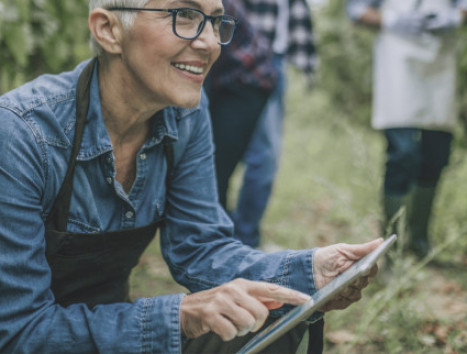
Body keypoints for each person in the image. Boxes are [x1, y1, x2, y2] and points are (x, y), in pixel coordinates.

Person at [0, 0, 382, 352]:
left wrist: (308, 270)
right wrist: (181, 314)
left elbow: (200, 248)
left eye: (216, 21)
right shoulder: (20, 134)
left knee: (273, 319)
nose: (210, 43)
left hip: (107, 336)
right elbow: (20, 332)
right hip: (35, 336)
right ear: (109, 30)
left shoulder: (184, 116)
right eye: (183, 15)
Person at [346, 0, 467, 258]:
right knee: (403, 154)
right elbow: (356, 9)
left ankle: (421, 243)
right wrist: (391, 20)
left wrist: (455, 16)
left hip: (440, 62)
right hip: (397, 60)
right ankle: (391, 248)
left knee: (436, 156)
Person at [230, 0, 319, 248]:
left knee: (263, 156)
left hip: (276, 61)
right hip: (244, 57)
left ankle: (241, 237)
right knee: (257, 156)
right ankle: (239, 239)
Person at [205, 0, 278, 210]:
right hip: (224, 78)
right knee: (212, 167)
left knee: (217, 168)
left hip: (248, 80)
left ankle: (218, 235)